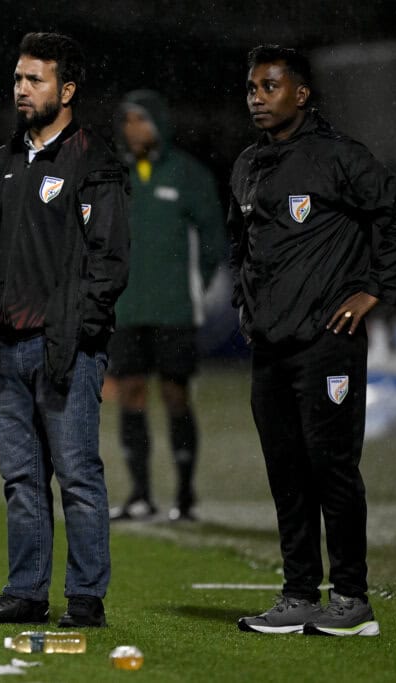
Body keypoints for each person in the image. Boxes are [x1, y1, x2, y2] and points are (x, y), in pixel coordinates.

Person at [228, 46, 396, 637]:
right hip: (271, 347)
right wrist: (245, 303)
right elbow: (242, 246)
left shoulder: (339, 158)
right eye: (252, 89)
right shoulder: (247, 165)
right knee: (286, 473)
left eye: (269, 87)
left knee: (331, 469)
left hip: (327, 344)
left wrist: (373, 290)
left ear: (301, 93)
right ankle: (297, 596)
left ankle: (351, 599)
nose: (257, 98)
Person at [0, 32, 130, 628]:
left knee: (78, 476)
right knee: (21, 480)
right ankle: (26, 592)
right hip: (6, 349)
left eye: (35, 79)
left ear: (68, 89)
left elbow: (109, 263)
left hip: (68, 351)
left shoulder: (95, 162)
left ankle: (85, 601)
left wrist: (75, 332)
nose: (21, 90)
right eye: (17, 79)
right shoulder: (3, 161)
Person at [107, 89, 225, 522]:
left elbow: (213, 237)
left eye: (141, 120)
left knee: (176, 395)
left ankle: (185, 496)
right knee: (130, 394)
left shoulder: (187, 175)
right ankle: (140, 494)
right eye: (127, 121)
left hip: (175, 309)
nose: (133, 129)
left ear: (160, 124)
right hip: (126, 309)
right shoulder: (113, 175)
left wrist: (197, 284)